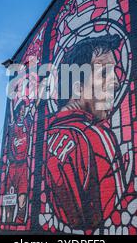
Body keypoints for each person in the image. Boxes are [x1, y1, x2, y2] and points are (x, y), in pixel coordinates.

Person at [45, 34, 128, 231]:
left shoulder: (48, 136)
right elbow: (113, 215)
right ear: (77, 87)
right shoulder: (94, 136)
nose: (116, 82)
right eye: (105, 72)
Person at [5, 100, 32, 224]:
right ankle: (9, 221)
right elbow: (10, 112)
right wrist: (11, 97)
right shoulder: (12, 125)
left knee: (22, 198)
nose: (22, 111)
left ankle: (20, 222)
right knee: (9, 200)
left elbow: (35, 105)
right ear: (16, 112)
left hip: (23, 167)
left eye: (24, 109)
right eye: (20, 110)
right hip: (12, 168)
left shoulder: (27, 123)